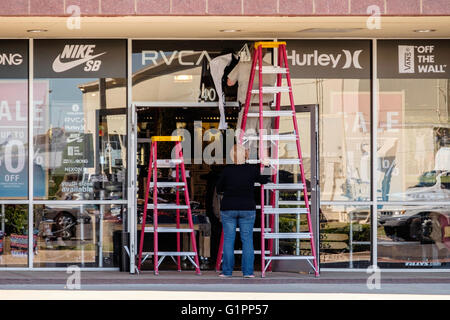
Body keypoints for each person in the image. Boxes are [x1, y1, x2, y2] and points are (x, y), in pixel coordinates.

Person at [216, 144, 271, 278]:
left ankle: (227, 272)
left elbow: (218, 189)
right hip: (247, 207)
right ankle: (248, 272)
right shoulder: (252, 169)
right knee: (247, 240)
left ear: (231, 156)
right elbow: (265, 180)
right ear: (246, 155)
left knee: (229, 240)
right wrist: (267, 165)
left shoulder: (226, 170)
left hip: (228, 207)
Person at [227, 44, 277, 158]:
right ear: (264, 54)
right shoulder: (271, 68)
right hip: (265, 109)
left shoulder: (242, 66)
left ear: (250, 52)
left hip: (248, 108)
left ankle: (246, 168)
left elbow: (230, 82)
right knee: (263, 143)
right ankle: (264, 167)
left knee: (244, 143)